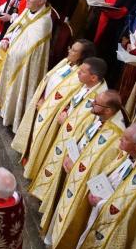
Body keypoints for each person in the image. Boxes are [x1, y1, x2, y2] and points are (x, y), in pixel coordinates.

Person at [43, 90, 126, 249]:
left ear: (109, 111)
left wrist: (76, 166)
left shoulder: (116, 136)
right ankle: (52, 236)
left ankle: (59, 245)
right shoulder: (100, 117)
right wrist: (69, 155)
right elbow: (85, 138)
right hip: (73, 169)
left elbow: (100, 164)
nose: (92, 104)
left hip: (81, 181)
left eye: (96, 103)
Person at [27, 57, 108, 191]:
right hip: (63, 129)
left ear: (93, 78)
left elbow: (87, 125)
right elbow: (73, 101)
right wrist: (65, 110)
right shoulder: (86, 85)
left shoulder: (99, 98)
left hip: (72, 142)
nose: (77, 73)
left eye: (82, 71)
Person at [12, 39, 95, 168]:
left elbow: (67, 101)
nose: (69, 51)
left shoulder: (79, 77)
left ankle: (33, 163)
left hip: (50, 112)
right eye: (71, 48)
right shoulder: (66, 62)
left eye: (74, 51)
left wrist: (45, 107)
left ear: (83, 56)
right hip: (42, 103)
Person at [0, 0, 52, 131]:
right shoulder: (29, 10)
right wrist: (6, 38)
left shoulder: (44, 22)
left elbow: (30, 50)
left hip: (24, 64)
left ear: (41, 1)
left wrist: (11, 51)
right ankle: (2, 104)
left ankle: (11, 114)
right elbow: (16, 28)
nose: (27, 0)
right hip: (13, 52)